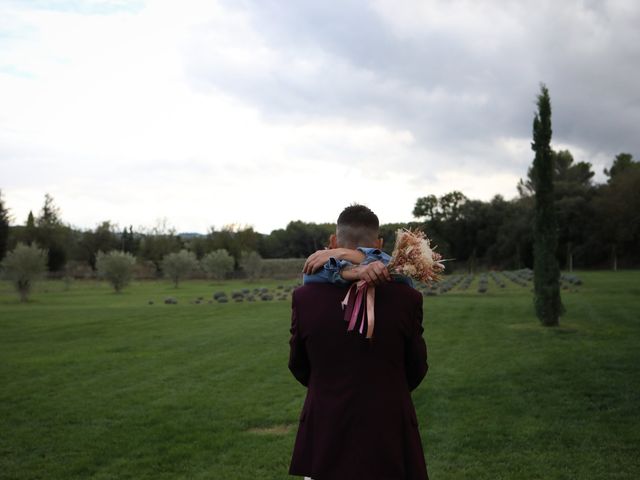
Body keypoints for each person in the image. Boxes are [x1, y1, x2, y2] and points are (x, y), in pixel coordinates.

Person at [288, 204, 429, 480]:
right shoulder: (408, 298)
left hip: (325, 435)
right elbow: (416, 368)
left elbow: (299, 365)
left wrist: (329, 387)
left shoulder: (304, 299)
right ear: (379, 244)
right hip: (389, 436)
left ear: (332, 242)